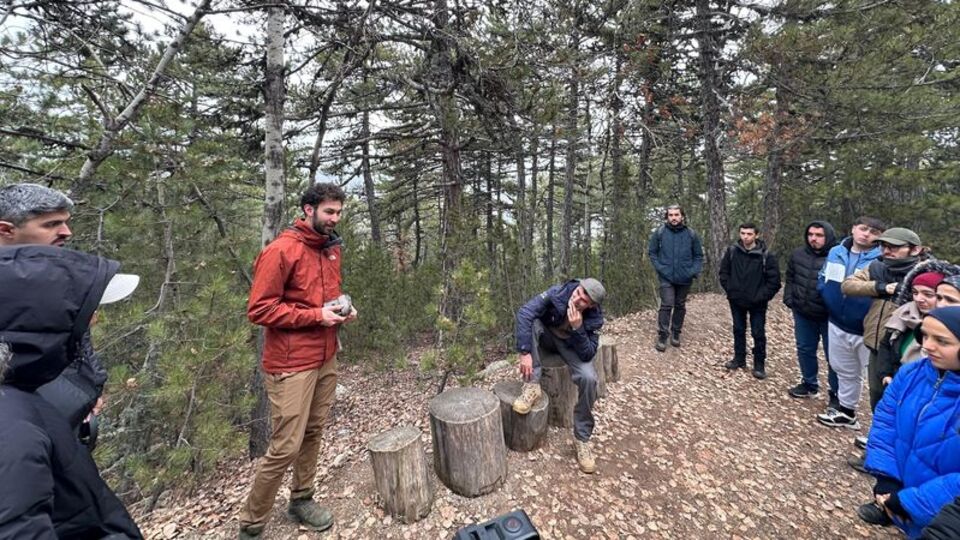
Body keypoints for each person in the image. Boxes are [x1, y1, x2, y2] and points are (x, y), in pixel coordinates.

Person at [239, 183, 357, 540]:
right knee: (285, 445)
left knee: (314, 431)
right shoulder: (281, 251)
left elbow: (325, 297)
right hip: (291, 364)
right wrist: (316, 316)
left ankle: (302, 498)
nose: (335, 219)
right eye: (329, 212)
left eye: (338, 212)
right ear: (308, 210)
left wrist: (342, 308)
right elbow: (259, 309)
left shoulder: (329, 249)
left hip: (325, 356)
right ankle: (251, 523)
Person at [0, 245, 142, 538]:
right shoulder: (11, 426)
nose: (93, 320)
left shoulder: (23, 394)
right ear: (44, 321)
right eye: (85, 312)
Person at [0, 183, 107, 445]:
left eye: (66, 223)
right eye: (51, 224)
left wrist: (85, 391)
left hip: (60, 429)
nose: (66, 232)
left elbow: (77, 349)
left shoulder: (58, 279)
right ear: (5, 230)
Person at [858, 306, 960, 538]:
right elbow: (885, 422)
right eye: (925, 335)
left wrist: (910, 503)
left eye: (942, 341)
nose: (927, 346)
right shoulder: (911, 373)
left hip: (943, 515)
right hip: (900, 497)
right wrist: (887, 479)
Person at [511, 278, 605, 474]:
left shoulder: (595, 318)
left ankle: (582, 438)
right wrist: (524, 352)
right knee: (533, 322)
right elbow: (525, 312)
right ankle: (532, 387)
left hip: (570, 345)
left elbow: (588, 353)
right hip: (547, 337)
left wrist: (578, 328)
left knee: (589, 378)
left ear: (592, 305)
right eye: (579, 292)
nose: (577, 298)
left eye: (584, 300)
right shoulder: (558, 293)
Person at [815, 217, 885, 429]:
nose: (866, 234)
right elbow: (824, 276)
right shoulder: (836, 251)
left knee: (875, 378)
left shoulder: (882, 260)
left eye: (873, 231)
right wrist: (825, 294)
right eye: (863, 229)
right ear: (854, 229)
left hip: (866, 328)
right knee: (843, 369)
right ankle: (847, 412)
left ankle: (880, 429)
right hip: (837, 321)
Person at [783, 220, 840, 399]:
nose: (813, 239)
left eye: (819, 235)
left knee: (834, 356)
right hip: (803, 311)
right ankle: (809, 384)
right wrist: (789, 298)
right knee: (805, 349)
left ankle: (836, 393)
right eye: (811, 234)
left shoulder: (838, 256)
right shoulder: (798, 254)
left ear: (828, 236)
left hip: (829, 315)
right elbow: (790, 276)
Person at [719, 223, 781, 379]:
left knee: (758, 332)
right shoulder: (732, 251)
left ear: (756, 235)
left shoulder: (766, 255)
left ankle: (759, 364)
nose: (745, 236)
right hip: (736, 299)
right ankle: (739, 359)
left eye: (749, 234)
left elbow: (774, 281)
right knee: (738, 329)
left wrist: (761, 296)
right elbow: (724, 273)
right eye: (742, 233)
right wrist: (731, 290)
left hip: (757, 303)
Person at [648, 204, 704, 352]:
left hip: (685, 277)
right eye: (671, 215)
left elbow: (698, 255)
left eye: (676, 215)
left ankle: (676, 333)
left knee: (680, 305)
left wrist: (693, 271)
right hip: (666, 276)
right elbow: (652, 252)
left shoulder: (691, 234)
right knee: (666, 304)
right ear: (667, 217)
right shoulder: (660, 233)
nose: (674, 218)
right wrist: (660, 268)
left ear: (682, 216)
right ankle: (662, 335)